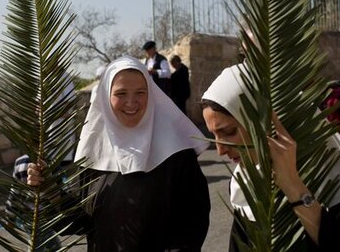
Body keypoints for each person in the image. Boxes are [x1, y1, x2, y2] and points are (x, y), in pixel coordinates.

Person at [200, 64, 340, 251]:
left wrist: (294, 186)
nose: (220, 150)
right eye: (214, 136)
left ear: (266, 121)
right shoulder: (244, 181)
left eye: (229, 133)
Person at [27, 56, 210, 251]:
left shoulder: (177, 154)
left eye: (140, 92)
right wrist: (51, 191)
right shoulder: (94, 152)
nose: (131, 102)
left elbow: (192, 227)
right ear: (106, 98)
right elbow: (82, 221)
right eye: (121, 93)